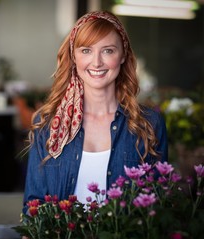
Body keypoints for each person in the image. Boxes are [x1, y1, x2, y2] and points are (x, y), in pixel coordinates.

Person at [22, 10, 168, 214]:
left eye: (108, 50)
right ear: (74, 55)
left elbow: (158, 204)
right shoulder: (47, 123)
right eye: (86, 50)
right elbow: (33, 205)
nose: (97, 62)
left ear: (123, 55)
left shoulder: (149, 124)